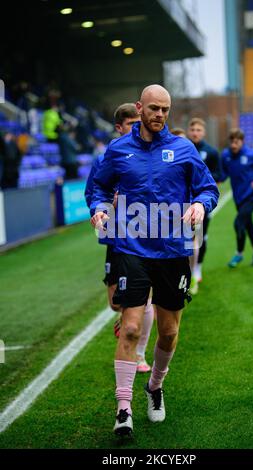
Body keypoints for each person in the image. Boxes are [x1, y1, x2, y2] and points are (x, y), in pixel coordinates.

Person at [90, 85, 219, 436]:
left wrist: (199, 204)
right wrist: (99, 209)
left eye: (165, 109)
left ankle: (155, 387)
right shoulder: (118, 150)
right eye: (153, 108)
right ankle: (123, 408)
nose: (160, 114)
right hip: (131, 249)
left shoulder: (183, 149)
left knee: (169, 331)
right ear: (139, 108)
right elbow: (98, 189)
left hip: (173, 252)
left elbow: (208, 189)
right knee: (130, 327)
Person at [85, 103, 154, 374]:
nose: (136, 128)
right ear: (119, 127)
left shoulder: (148, 153)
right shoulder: (105, 159)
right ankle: (126, 323)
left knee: (143, 299)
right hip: (114, 238)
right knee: (116, 302)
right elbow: (93, 193)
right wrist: (103, 209)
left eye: (139, 122)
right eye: (130, 124)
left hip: (139, 237)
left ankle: (138, 352)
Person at [221, 128, 253, 268]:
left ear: (242, 142)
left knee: (238, 223)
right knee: (248, 224)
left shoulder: (252, 154)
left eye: (236, 142)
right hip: (238, 197)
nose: (233, 145)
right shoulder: (226, 155)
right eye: (231, 141)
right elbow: (224, 174)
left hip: (252, 196)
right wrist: (215, 180)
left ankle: (239, 254)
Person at [187, 118, 221, 293]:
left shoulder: (211, 152)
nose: (195, 132)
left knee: (200, 236)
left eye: (199, 129)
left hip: (202, 200)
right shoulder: (183, 149)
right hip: (183, 201)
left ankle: (197, 268)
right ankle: (186, 270)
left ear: (204, 132)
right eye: (192, 129)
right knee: (185, 237)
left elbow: (219, 174)